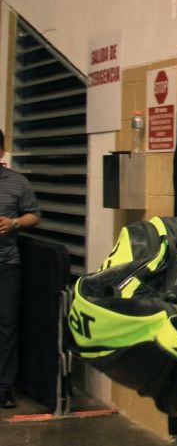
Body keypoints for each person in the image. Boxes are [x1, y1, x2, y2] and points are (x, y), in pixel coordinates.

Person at [0, 129, 41, 408]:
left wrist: (13, 223)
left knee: (6, 326)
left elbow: (34, 215)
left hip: (6, 266)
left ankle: (3, 387)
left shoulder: (17, 182)